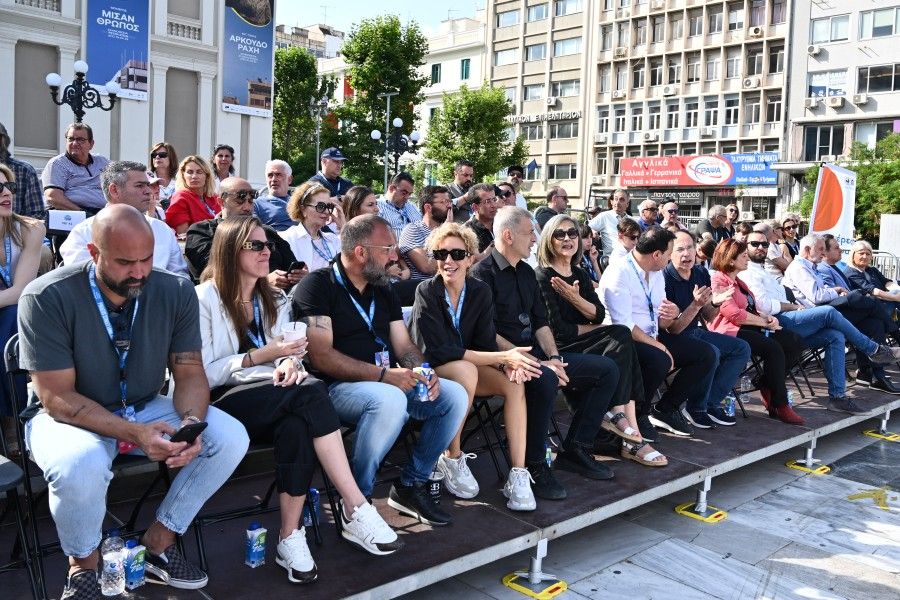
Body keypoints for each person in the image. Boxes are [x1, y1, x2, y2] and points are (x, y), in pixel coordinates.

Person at [18, 204, 249, 598]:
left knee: (229, 438)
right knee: (80, 464)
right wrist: (135, 433)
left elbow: (189, 368)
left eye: (146, 259)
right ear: (95, 254)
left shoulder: (174, 289)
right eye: (125, 262)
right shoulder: (46, 295)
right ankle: (84, 569)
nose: (140, 271)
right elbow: (56, 397)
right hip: (67, 415)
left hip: (142, 404)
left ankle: (158, 542)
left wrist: (191, 422)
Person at [197, 217, 401, 583]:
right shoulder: (205, 299)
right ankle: (356, 505)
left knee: (297, 424)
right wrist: (263, 356)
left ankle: (289, 537)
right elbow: (202, 373)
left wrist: (290, 362)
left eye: (268, 245)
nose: (267, 252)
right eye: (256, 246)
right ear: (231, 252)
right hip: (225, 400)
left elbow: (290, 353)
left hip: (278, 395)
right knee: (311, 392)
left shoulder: (273, 297)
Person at [292, 214, 468, 527]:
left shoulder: (381, 287)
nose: (394, 256)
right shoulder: (317, 286)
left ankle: (411, 484)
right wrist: (385, 376)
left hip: (386, 382)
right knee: (389, 400)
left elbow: (403, 346)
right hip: (335, 388)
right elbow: (321, 357)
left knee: (453, 394)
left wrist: (423, 371)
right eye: (387, 248)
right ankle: (357, 500)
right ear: (361, 252)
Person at [472, 207, 619, 499]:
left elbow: (540, 323)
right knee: (545, 380)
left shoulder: (526, 272)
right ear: (508, 235)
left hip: (538, 357)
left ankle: (577, 448)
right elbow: (484, 332)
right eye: (530, 233)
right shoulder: (481, 274)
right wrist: (531, 360)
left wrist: (552, 357)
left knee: (606, 370)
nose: (534, 240)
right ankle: (535, 465)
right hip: (500, 360)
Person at [408, 223, 543, 509]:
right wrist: (502, 358)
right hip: (432, 372)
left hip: (467, 368)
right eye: (441, 254)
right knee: (466, 369)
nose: (449, 261)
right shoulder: (426, 291)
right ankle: (452, 456)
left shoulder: (480, 291)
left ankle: (518, 473)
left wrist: (507, 365)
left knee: (514, 381)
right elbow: (437, 350)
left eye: (457, 253)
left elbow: (484, 342)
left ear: (470, 258)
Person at [536, 215, 667, 466]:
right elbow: (558, 330)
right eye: (559, 234)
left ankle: (621, 419)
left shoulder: (579, 273)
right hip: (558, 348)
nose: (567, 239)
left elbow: (598, 313)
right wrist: (589, 319)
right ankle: (631, 431)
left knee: (620, 334)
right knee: (618, 338)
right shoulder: (543, 276)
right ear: (548, 240)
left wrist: (576, 300)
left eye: (572, 233)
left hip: (583, 341)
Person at [739, 230, 899, 414]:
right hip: (778, 323)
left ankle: (837, 397)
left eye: (765, 244)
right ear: (807, 249)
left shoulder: (767, 271)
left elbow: (796, 298)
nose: (761, 247)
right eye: (755, 244)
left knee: (835, 335)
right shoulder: (755, 272)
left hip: (798, 317)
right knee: (834, 311)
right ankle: (874, 350)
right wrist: (792, 307)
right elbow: (766, 306)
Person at [599, 227, 717, 439]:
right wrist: (660, 346)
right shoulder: (620, 272)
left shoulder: (655, 273)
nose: (672, 257)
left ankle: (665, 409)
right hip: (622, 341)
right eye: (671, 251)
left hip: (652, 335)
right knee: (659, 358)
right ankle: (639, 413)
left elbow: (663, 322)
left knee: (706, 354)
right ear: (656, 255)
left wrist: (674, 313)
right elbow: (623, 326)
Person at [783, 234, 900, 394]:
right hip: (816, 315)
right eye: (821, 249)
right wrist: (836, 292)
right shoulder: (799, 267)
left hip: (826, 311)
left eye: (825, 249)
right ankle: (890, 339)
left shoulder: (812, 266)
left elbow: (820, 293)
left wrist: (835, 292)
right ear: (807, 249)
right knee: (861, 299)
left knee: (875, 324)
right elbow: (817, 297)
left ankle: (873, 375)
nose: (823, 253)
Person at [707, 239, 805, 424]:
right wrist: (764, 323)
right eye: (743, 256)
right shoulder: (718, 279)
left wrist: (766, 317)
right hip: (730, 330)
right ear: (730, 260)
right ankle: (780, 404)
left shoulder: (740, 281)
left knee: (794, 341)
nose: (747, 259)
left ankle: (766, 383)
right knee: (773, 348)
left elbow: (749, 308)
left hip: (749, 325)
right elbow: (732, 313)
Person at [662, 231, 750, 428]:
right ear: (670, 254)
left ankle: (710, 402)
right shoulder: (665, 278)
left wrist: (715, 302)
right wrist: (695, 304)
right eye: (680, 249)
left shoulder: (700, 272)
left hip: (695, 331)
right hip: (670, 336)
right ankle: (696, 408)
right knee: (711, 352)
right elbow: (673, 330)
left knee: (741, 348)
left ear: (697, 250)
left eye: (690, 248)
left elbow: (708, 316)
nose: (686, 254)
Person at [60, 161, 190, 278]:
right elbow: (82, 281)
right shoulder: (83, 233)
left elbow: (180, 280)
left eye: (147, 185)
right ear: (114, 190)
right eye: (140, 186)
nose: (148, 191)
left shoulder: (162, 230)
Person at [0, 163, 45, 457]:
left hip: (18, 311)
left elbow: (20, 290)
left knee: (11, 315)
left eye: (9, 187)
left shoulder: (31, 228)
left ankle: (11, 419)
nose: (6, 193)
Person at [185, 177, 298, 287]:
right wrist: (262, 282)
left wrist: (297, 274)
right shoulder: (201, 231)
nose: (247, 207)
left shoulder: (267, 232)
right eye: (240, 199)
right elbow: (210, 272)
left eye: (250, 200)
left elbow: (291, 265)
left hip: (277, 299)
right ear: (221, 202)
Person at [42, 123, 110, 215]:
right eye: (71, 139)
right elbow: (53, 197)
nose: (74, 143)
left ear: (91, 144)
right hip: (70, 214)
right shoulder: (58, 164)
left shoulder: (102, 162)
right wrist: (83, 213)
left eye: (80, 140)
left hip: (103, 213)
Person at [280, 182, 345, 274]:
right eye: (321, 206)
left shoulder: (333, 239)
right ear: (303, 209)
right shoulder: (287, 238)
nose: (326, 211)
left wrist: (343, 226)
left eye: (329, 207)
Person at [398, 185, 453, 281]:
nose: (449, 206)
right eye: (444, 202)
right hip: (425, 290)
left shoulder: (452, 229)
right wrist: (447, 231)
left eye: (449, 201)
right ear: (428, 207)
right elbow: (427, 267)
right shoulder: (413, 230)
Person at [165, 155, 221, 236]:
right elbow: (183, 235)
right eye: (190, 172)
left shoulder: (214, 198)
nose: (194, 176)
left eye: (199, 172)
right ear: (183, 175)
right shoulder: (181, 198)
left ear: (207, 176)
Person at [843, 239, 900, 317]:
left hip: (883, 301)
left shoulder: (872, 269)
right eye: (861, 253)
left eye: (868, 254)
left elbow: (886, 282)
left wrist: (897, 289)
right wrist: (895, 297)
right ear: (853, 255)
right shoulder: (850, 272)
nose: (865, 256)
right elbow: (872, 291)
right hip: (867, 308)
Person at [0, 122, 44, 219]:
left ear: (4, 141)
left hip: (14, 231)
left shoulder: (25, 171)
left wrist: (14, 227)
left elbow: (36, 215)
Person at [254, 159, 297, 232]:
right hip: (275, 240)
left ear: (289, 179)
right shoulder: (257, 204)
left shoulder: (299, 202)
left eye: (278, 175)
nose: (274, 179)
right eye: (270, 175)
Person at [376, 172, 422, 239]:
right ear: (391, 188)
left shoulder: (412, 207)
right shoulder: (377, 208)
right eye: (404, 193)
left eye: (409, 194)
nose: (407, 197)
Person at [588, 188, 630, 256]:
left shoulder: (632, 221)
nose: (617, 202)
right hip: (610, 259)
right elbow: (585, 228)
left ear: (627, 204)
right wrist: (592, 231)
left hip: (629, 258)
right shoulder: (604, 216)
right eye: (615, 199)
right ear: (612, 202)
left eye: (621, 199)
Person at [462, 183, 499, 253]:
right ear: (475, 207)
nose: (493, 205)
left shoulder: (503, 224)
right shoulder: (467, 232)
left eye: (494, 199)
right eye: (487, 201)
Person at [148, 142, 178, 208]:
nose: (157, 157)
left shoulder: (180, 180)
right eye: (154, 155)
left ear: (171, 157)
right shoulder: (146, 179)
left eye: (162, 155)